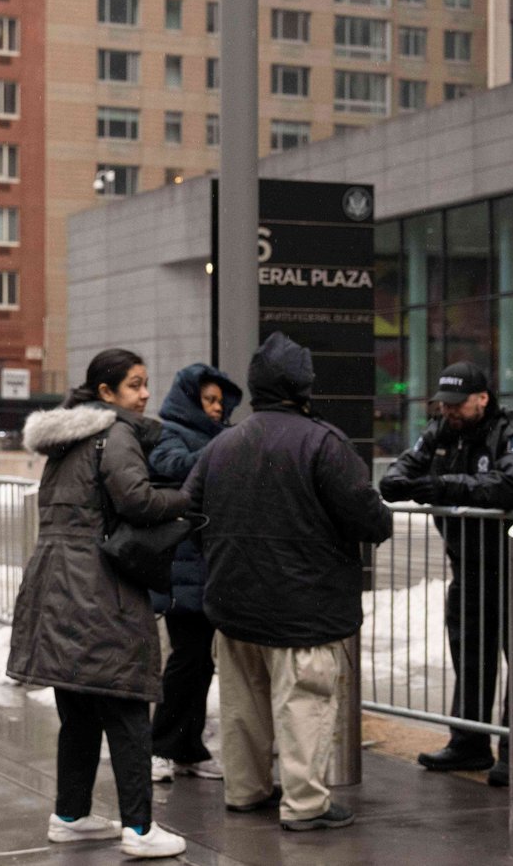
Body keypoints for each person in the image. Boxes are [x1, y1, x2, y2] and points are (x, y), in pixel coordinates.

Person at [185, 332, 392, 831]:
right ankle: (305, 805)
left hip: (233, 603)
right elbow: (369, 518)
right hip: (304, 607)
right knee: (304, 706)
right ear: (303, 388)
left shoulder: (222, 445)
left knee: (241, 708)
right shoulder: (323, 443)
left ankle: (246, 790)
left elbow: (189, 511)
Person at [8, 348, 191, 859]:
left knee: (81, 710)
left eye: (146, 383)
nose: (145, 393)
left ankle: (71, 815)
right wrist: (188, 497)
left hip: (54, 586)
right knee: (127, 705)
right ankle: (139, 828)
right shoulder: (115, 433)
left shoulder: (66, 441)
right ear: (107, 393)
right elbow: (137, 500)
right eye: (135, 385)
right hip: (98, 589)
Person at [379, 361, 513, 786]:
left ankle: (510, 752)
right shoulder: (442, 431)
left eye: (457, 404)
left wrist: (445, 486)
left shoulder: (505, 431)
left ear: (482, 399)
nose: (449, 412)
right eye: (445, 404)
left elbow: (509, 483)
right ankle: (469, 744)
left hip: (510, 561)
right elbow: (398, 472)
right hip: (470, 563)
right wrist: (404, 484)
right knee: (471, 654)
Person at [147, 363, 243, 784]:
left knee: (200, 662)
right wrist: (223, 450)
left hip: (212, 567)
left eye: (220, 401)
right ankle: (161, 745)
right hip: (184, 568)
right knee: (187, 660)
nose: (218, 408)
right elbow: (172, 466)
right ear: (190, 400)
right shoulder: (171, 432)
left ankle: (187, 748)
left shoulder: (220, 437)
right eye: (209, 400)